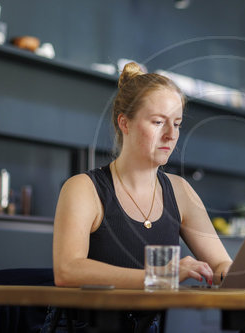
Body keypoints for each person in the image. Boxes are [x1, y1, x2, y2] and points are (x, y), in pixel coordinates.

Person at [45, 62, 233, 332]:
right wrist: (160, 275)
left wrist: (229, 272)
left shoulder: (180, 191)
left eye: (177, 124)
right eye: (158, 122)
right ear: (125, 123)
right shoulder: (83, 188)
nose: (171, 135)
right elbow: (67, 271)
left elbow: (221, 263)